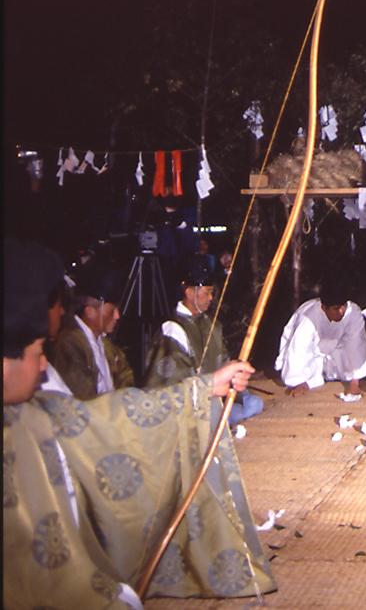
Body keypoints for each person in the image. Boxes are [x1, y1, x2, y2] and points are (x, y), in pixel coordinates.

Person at [3, 239, 276, 608]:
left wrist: (207, 387)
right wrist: (199, 390)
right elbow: (99, 419)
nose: (41, 365)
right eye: (36, 351)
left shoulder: (31, 408)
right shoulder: (163, 330)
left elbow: (100, 413)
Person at [144, 260, 264, 425]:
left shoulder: (209, 323)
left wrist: (236, 377)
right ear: (189, 292)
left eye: (212, 293)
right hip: (189, 409)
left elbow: (223, 361)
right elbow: (170, 385)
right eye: (207, 292)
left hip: (215, 400)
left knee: (254, 404)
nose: (211, 298)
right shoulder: (172, 329)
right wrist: (208, 388)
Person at [50, 264, 135, 399]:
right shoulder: (69, 344)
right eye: (111, 310)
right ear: (90, 311)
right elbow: (83, 399)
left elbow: (126, 377)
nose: (117, 316)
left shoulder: (105, 343)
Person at [275, 281, 366, 397]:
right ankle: (301, 380)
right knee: (304, 370)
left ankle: (340, 376)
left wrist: (354, 383)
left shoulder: (353, 312)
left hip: (336, 350)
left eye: (343, 307)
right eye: (336, 309)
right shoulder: (308, 317)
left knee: (354, 347)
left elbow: (357, 345)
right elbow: (299, 348)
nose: (341, 312)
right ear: (323, 307)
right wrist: (298, 382)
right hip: (311, 354)